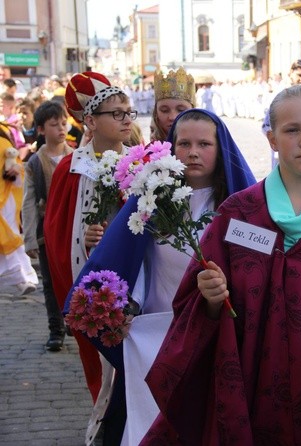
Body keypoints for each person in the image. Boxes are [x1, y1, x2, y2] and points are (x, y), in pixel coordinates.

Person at [141, 84, 301, 444]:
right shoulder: (240, 213)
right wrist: (211, 299)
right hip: (252, 380)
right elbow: (195, 304)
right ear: (271, 139)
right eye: (292, 130)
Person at [64, 108, 256, 445]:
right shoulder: (153, 200)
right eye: (184, 143)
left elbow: (256, 266)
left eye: (204, 144)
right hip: (156, 332)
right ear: (170, 149)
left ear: (221, 148)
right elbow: (131, 259)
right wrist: (122, 307)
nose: (193, 152)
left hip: (214, 332)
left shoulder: (239, 207)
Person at [42, 71, 134, 441]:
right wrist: (84, 239)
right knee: (106, 368)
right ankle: (107, 430)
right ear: (91, 122)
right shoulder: (71, 168)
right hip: (96, 286)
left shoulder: (141, 163)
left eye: (129, 111)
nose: (127, 119)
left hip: (136, 279)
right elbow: (56, 233)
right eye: (117, 113)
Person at [22, 101, 73, 352]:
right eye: (54, 125)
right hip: (47, 232)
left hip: (74, 229)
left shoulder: (77, 155)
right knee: (50, 282)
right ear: (41, 129)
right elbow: (29, 201)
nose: (61, 128)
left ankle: (75, 318)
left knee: (76, 275)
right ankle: (56, 329)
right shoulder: (34, 163)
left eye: (64, 123)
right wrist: (29, 238)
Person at [0, 123, 38, 296]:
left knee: (12, 237)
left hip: (5, 197)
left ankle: (24, 278)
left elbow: (16, 166)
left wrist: (14, 170)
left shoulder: (4, 142)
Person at [150, 67, 196, 142]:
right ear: (156, 113)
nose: (172, 117)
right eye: (164, 110)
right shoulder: (148, 153)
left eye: (181, 110)